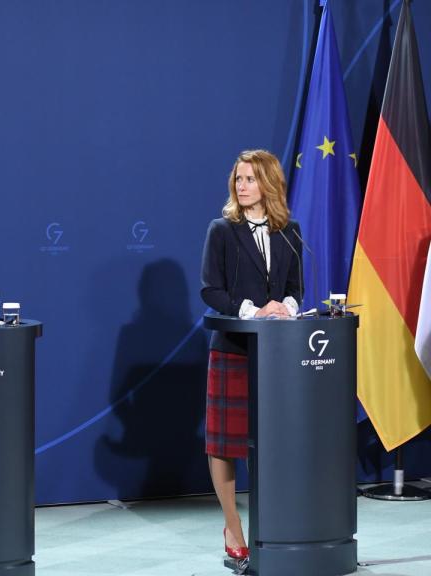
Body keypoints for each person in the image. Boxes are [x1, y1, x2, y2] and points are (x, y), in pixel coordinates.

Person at [200, 149, 302, 560]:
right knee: (225, 442)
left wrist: (286, 308)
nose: (241, 186)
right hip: (233, 349)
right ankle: (234, 527)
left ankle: (273, 524)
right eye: (238, 179)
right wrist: (253, 311)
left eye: (250, 179)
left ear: (269, 183)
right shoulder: (222, 230)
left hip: (276, 355)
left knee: (272, 441)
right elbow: (211, 289)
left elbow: (295, 288)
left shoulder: (289, 231)